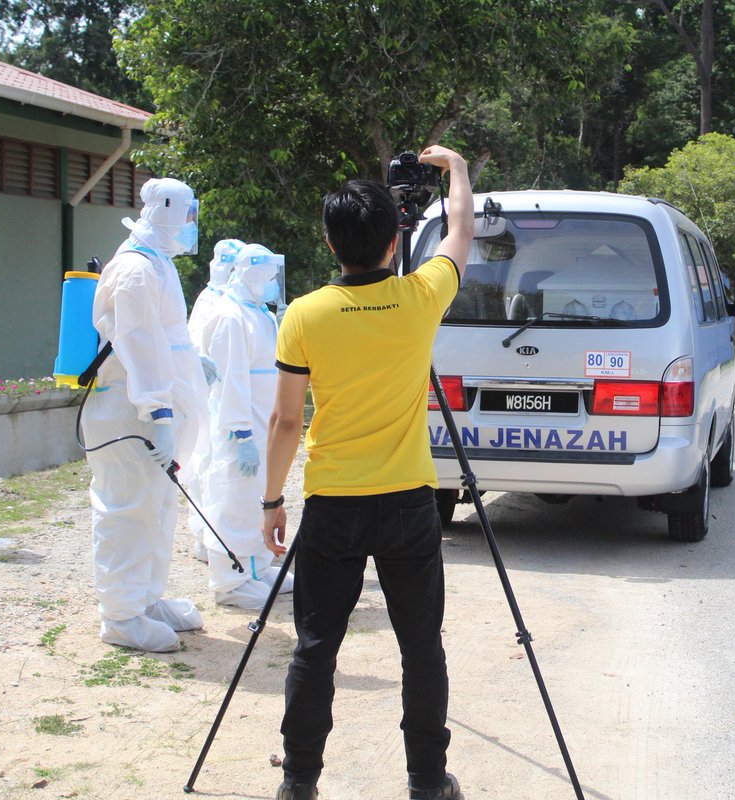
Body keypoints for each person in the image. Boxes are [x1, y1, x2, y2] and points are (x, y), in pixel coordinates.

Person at [260, 145, 473, 800]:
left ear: (330, 241)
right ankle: (427, 783)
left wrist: (272, 500)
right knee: (421, 648)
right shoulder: (420, 296)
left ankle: (299, 783)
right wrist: (458, 169)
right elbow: (462, 231)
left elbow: (287, 423)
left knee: (316, 648)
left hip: (333, 504)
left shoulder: (303, 314)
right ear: (396, 238)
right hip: (410, 502)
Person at [82, 177, 207, 653]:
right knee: (127, 509)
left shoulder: (158, 264)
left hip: (152, 415)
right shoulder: (136, 269)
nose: (192, 224)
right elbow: (136, 343)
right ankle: (121, 615)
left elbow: (167, 339)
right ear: (172, 210)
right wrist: (158, 412)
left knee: (157, 506)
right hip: (130, 414)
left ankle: (145, 599)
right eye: (189, 214)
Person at [202, 242, 294, 608]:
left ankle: (256, 566)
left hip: (262, 425)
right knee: (234, 501)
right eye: (268, 274)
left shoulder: (259, 313)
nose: (273, 281)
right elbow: (231, 379)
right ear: (251, 272)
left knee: (258, 499)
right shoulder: (230, 316)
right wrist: (240, 433)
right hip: (240, 430)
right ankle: (230, 581)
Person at [187, 238, 245, 562]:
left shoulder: (230, 302)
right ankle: (209, 538)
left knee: (223, 471)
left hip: (224, 399)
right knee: (207, 467)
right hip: (211, 399)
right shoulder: (211, 301)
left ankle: (222, 537)